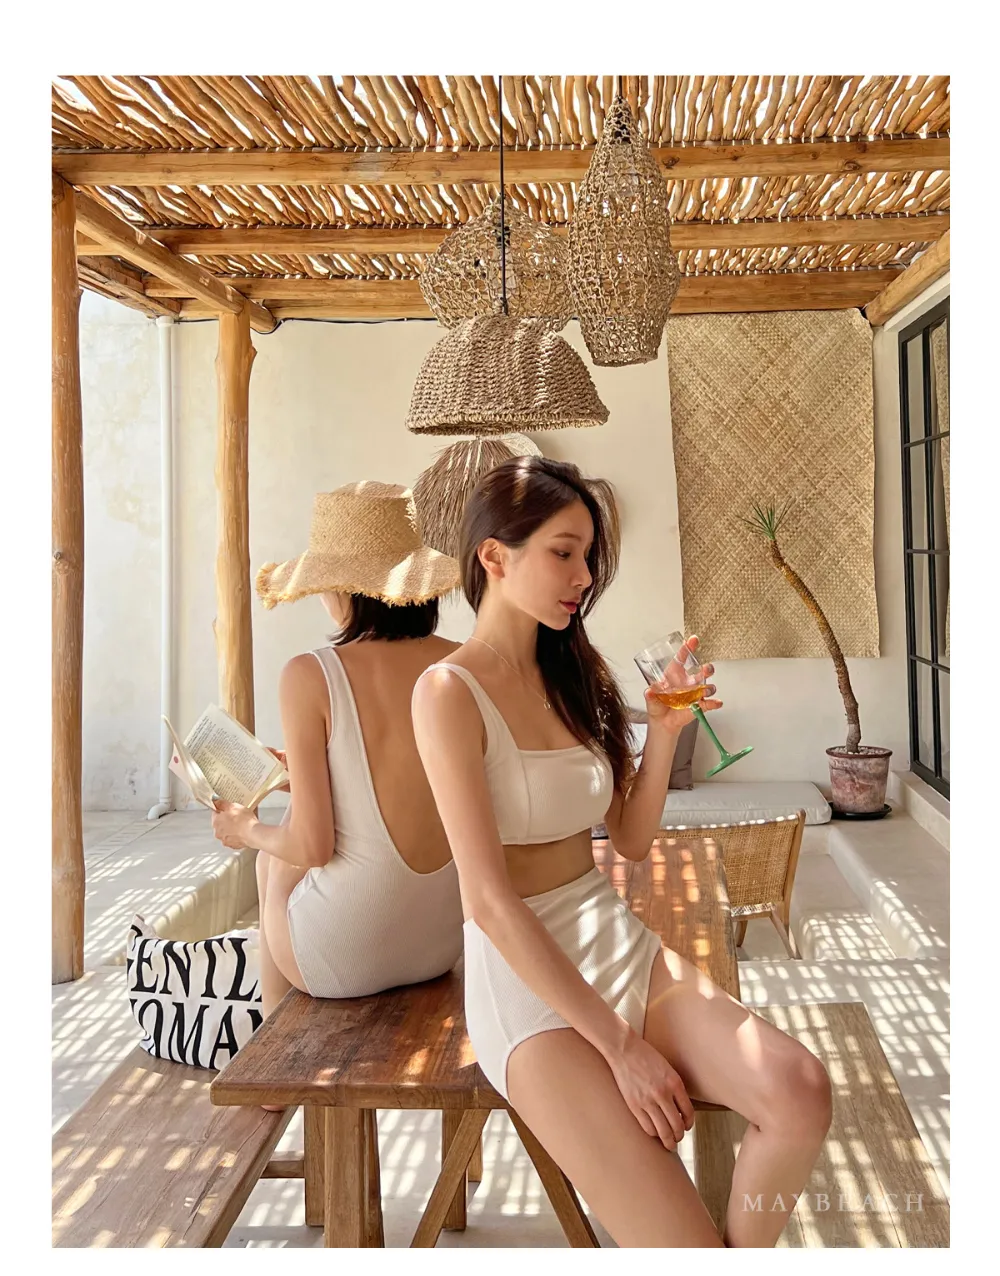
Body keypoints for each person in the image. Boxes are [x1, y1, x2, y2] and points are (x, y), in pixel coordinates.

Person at [411, 456, 832, 1248]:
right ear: (494, 556)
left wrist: (665, 731)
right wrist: (621, 1047)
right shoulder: (447, 693)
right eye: (563, 552)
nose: (583, 575)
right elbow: (489, 904)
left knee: (799, 1089)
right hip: (529, 988)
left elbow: (630, 840)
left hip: (613, 941)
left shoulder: (573, 675)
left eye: (588, 555)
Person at [211, 482, 466, 1030]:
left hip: (339, 956)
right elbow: (409, 780)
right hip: (442, 941)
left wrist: (243, 828)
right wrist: (300, 774)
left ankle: (271, 1050)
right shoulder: (464, 663)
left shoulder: (311, 674)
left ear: (344, 589)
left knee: (273, 855)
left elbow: (312, 845)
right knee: (298, 822)